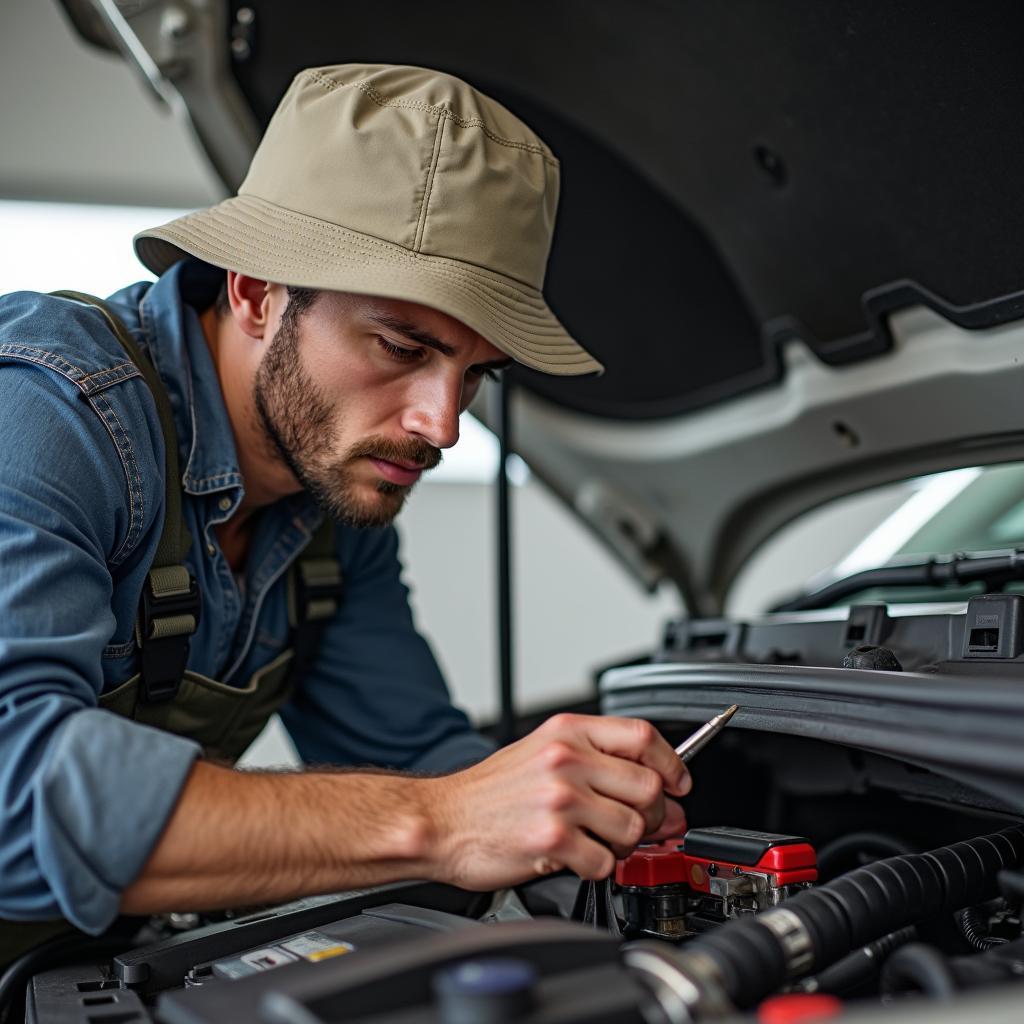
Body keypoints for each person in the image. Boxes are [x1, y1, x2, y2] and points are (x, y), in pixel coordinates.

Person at [0, 63, 689, 960]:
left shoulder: (329, 502)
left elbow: (416, 757)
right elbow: (12, 793)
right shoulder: (50, 417)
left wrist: (574, 816)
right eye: (402, 346)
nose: (440, 424)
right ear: (254, 292)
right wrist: (441, 819)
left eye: (475, 374)